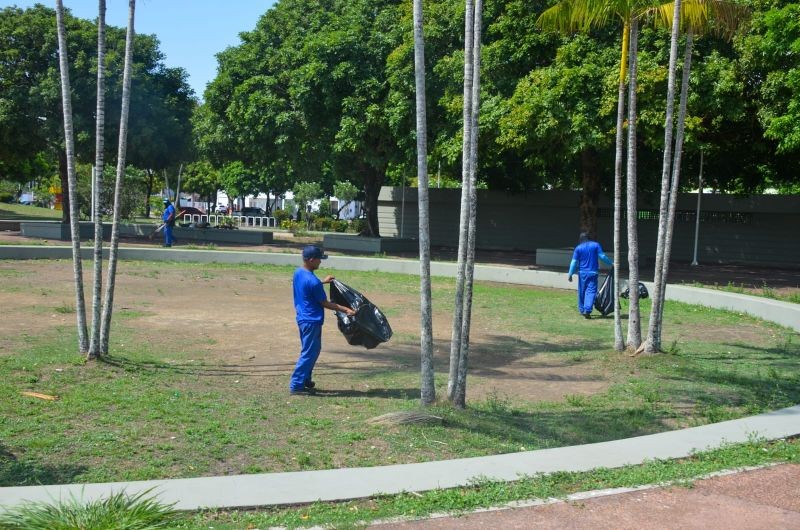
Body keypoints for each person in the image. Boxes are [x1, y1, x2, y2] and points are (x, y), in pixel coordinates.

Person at [290, 245, 355, 395]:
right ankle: (296, 385)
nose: (321, 262)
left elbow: (309, 287)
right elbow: (325, 303)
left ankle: (305, 379)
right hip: (311, 321)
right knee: (309, 353)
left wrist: (323, 282)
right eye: (319, 259)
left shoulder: (299, 272)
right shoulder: (312, 281)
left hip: (302, 318)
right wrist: (346, 309)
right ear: (311, 260)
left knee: (312, 351)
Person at [567, 232, 613, 319]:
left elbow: (574, 262)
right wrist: (611, 263)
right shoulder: (595, 245)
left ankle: (581, 309)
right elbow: (602, 256)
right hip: (593, 273)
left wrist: (570, 274)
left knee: (582, 291)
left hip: (582, 273)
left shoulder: (578, 248)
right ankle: (587, 310)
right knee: (591, 291)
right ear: (589, 238)